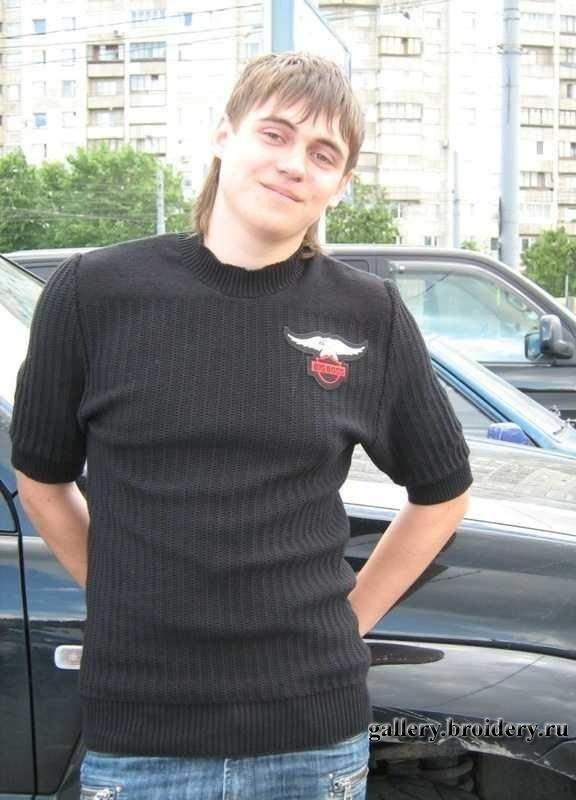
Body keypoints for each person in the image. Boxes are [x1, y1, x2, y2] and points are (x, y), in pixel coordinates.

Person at [9, 51, 472, 800]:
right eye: (275, 134)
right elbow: (40, 479)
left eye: (323, 154)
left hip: (312, 743)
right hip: (142, 740)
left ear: (340, 184)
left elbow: (443, 492)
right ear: (225, 135)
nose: (294, 164)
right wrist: (121, 594)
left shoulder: (367, 313)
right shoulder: (94, 293)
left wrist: (348, 622)